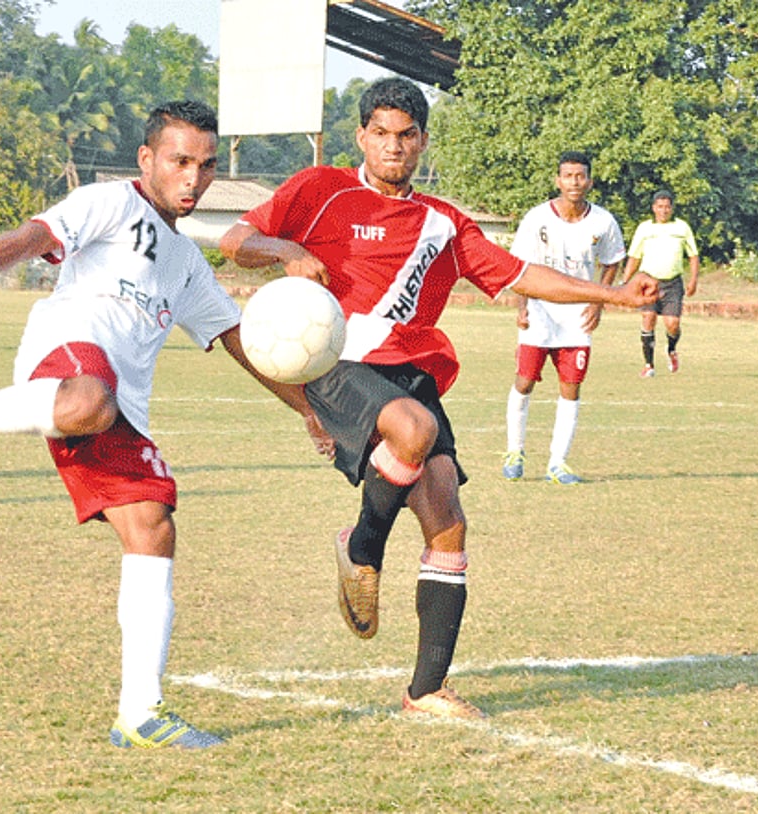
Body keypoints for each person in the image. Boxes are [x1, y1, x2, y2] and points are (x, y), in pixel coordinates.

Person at [0, 101, 320, 749]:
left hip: (116, 404)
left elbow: (241, 343)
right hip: (67, 358)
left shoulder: (186, 261)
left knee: (152, 525)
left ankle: (141, 713)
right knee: (89, 401)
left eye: (206, 166)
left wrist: (311, 415)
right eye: (181, 162)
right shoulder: (108, 203)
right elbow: (35, 237)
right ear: (147, 159)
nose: (194, 178)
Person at [220, 78, 657, 719]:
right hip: (340, 361)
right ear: (361, 135)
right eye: (380, 133)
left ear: (422, 141)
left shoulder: (443, 222)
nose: (392, 146)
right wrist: (286, 250)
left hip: (411, 369)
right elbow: (234, 241)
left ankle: (425, 690)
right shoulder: (317, 189)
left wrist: (613, 296)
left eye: (406, 135)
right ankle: (364, 547)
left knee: (447, 520)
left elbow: (519, 275)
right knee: (414, 430)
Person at [501, 151, 627, 486]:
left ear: (590, 181)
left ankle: (557, 463)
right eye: (567, 175)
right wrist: (522, 305)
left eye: (580, 176)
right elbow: (521, 266)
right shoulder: (537, 218)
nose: (574, 182)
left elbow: (612, 260)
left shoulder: (603, 222)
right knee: (525, 380)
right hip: (540, 310)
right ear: (558, 180)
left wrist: (598, 301)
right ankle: (515, 451)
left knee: (571, 387)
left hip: (578, 316)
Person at [622, 189, 700, 377]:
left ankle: (671, 349)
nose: (663, 210)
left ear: (672, 208)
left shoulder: (682, 228)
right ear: (653, 208)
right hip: (649, 282)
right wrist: (624, 281)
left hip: (673, 282)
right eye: (660, 207)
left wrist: (694, 280)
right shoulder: (645, 229)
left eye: (667, 207)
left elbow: (693, 255)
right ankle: (649, 365)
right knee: (648, 318)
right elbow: (634, 256)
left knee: (672, 324)